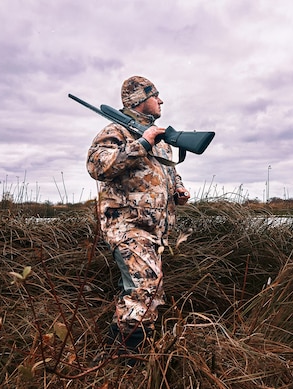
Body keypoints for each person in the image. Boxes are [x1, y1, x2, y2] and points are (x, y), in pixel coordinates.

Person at [86, 76, 190, 358]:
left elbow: (169, 171)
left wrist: (178, 188)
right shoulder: (117, 131)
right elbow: (97, 166)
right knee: (146, 287)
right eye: (156, 95)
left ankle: (112, 353)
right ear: (139, 100)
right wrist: (142, 143)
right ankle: (128, 359)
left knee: (142, 290)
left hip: (155, 230)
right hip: (127, 225)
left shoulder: (161, 140)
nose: (161, 100)